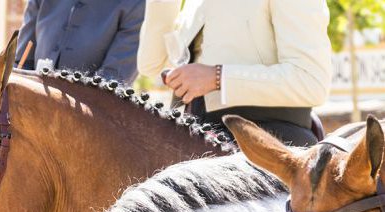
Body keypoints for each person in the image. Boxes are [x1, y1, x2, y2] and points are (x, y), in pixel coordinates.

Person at [137, 0, 332, 146]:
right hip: (195, 139)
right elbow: (151, 64)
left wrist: (218, 77)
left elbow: (311, 82)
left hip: (269, 144)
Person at [16, 0, 145, 84]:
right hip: (28, 110)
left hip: (88, 119)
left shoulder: (137, 4)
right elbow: (21, 63)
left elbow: (112, 82)